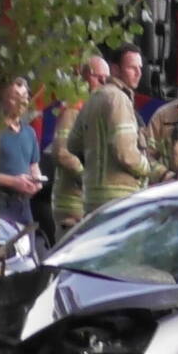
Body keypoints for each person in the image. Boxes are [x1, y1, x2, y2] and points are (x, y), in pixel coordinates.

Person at [67, 42, 150, 213]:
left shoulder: (93, 97)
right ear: (115, 69)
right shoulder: (119, 99)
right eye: (132, 68)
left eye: (140, 68)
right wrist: (146, 167)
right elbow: (125, 153)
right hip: (119, 197)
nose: (139, 73)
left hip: (92, 197)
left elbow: (73, 144)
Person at [49, 55, 109, 236]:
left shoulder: (95, 110)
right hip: (72, 206)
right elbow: (61, 152)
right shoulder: (74, 110)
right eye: (100, 78)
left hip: (86, 204)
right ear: (87, 76)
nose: (104, 84)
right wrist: (87, 177)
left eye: (107, 80)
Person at [0, 76, 43, 225]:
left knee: (27, 247)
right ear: (3, 99)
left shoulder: (29, 133)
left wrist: (37, 181)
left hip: (23, 205)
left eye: (25, 97)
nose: (22, 102)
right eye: (15, 97)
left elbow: (34, 166)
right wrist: (13, 181)